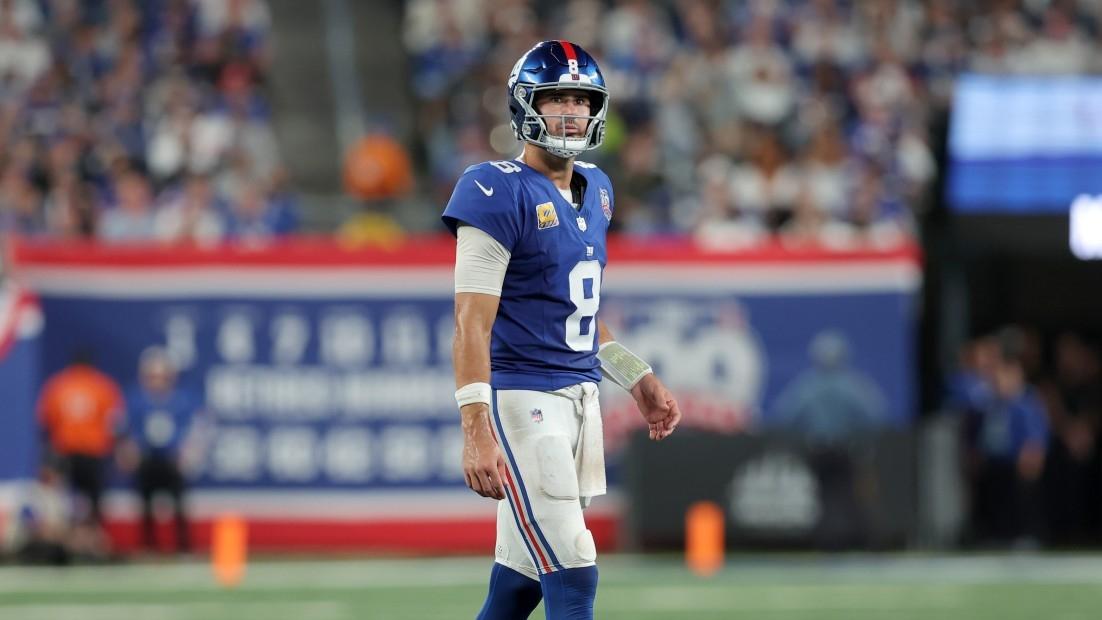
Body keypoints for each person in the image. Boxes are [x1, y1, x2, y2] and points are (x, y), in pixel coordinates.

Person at [442, 41, 682, 620]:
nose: (571, 112)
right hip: (526, 403)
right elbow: (472, 321)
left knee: (520, 582)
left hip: (581, 401)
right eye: (557, 99)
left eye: (581, 99)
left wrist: (635, 375)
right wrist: (475, 426)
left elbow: (575, 315)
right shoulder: (493, 188)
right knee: (574, 565)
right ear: (528, 106)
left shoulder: (597, 189)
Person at [117, 346, 203, 553]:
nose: (158, 381)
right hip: (147, 458)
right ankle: (149, 545)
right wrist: (127, 451)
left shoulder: (182, 400)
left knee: (179, 503)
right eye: (153, 376)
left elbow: (196, 428)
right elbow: (122, 428)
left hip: (171, 459)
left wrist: (189, 454)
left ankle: (183, 547)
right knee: (145, 504)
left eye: (162, 376)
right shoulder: (135, 399)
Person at [36, 350, 125, 527]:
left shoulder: (58, 384)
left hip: (64, 450)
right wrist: (116, 447)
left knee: (62, 496)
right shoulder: (103, 385)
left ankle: (65, 533)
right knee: (93, 497)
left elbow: (45, 420)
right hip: (94, 450)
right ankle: (93, 533)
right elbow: (115, 422)